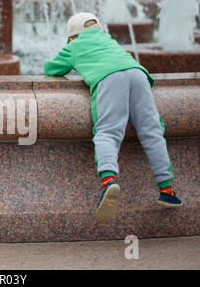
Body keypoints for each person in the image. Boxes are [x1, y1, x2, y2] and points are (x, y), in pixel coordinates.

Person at [44, 12, 182, 224]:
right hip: (138, 73)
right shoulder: (110, 41)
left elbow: (51, 69)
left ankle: (109, 181)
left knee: (108, 131)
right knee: (153, 132)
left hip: (109, 78)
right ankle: (167, 190)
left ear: (72, 36)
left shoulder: (74, 45)